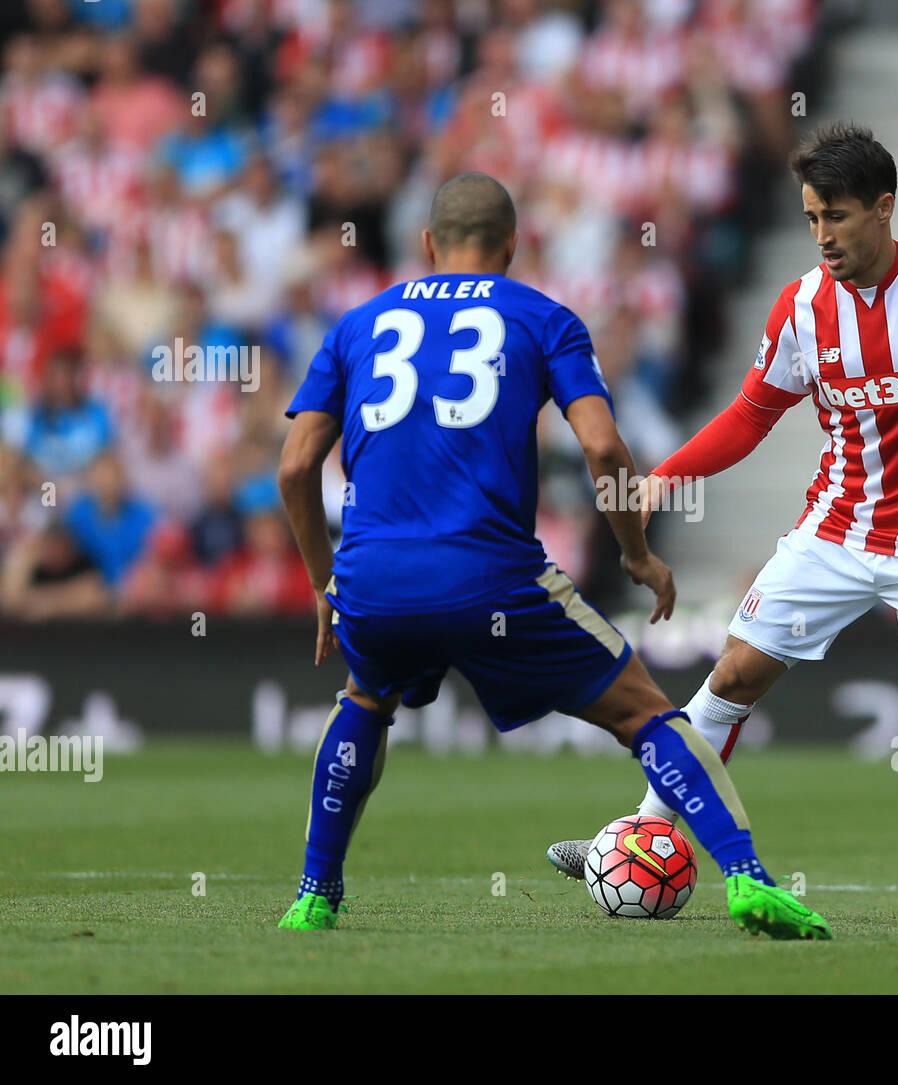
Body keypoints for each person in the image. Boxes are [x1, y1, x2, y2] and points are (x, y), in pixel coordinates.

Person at [275, 172, 829, 940]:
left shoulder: (357, 323)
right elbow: (602, 444)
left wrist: (322, 582)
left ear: (428, 244)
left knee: (367, 697)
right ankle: (747, 877)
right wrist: (635, 552)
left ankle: (314, 895)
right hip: (490, 574)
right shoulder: (544, 318)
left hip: (374, 574)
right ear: (511, 246)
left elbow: (296, 467)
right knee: (643, 709)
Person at [547, 124, 898, 924]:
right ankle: (644, 831)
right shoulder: (801, 307)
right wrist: (662, 479)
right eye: (810, 217)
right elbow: (751, 415)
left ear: (884, 208)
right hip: (833, 531)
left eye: (837, 216)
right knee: (732, 678)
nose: (822, 234)